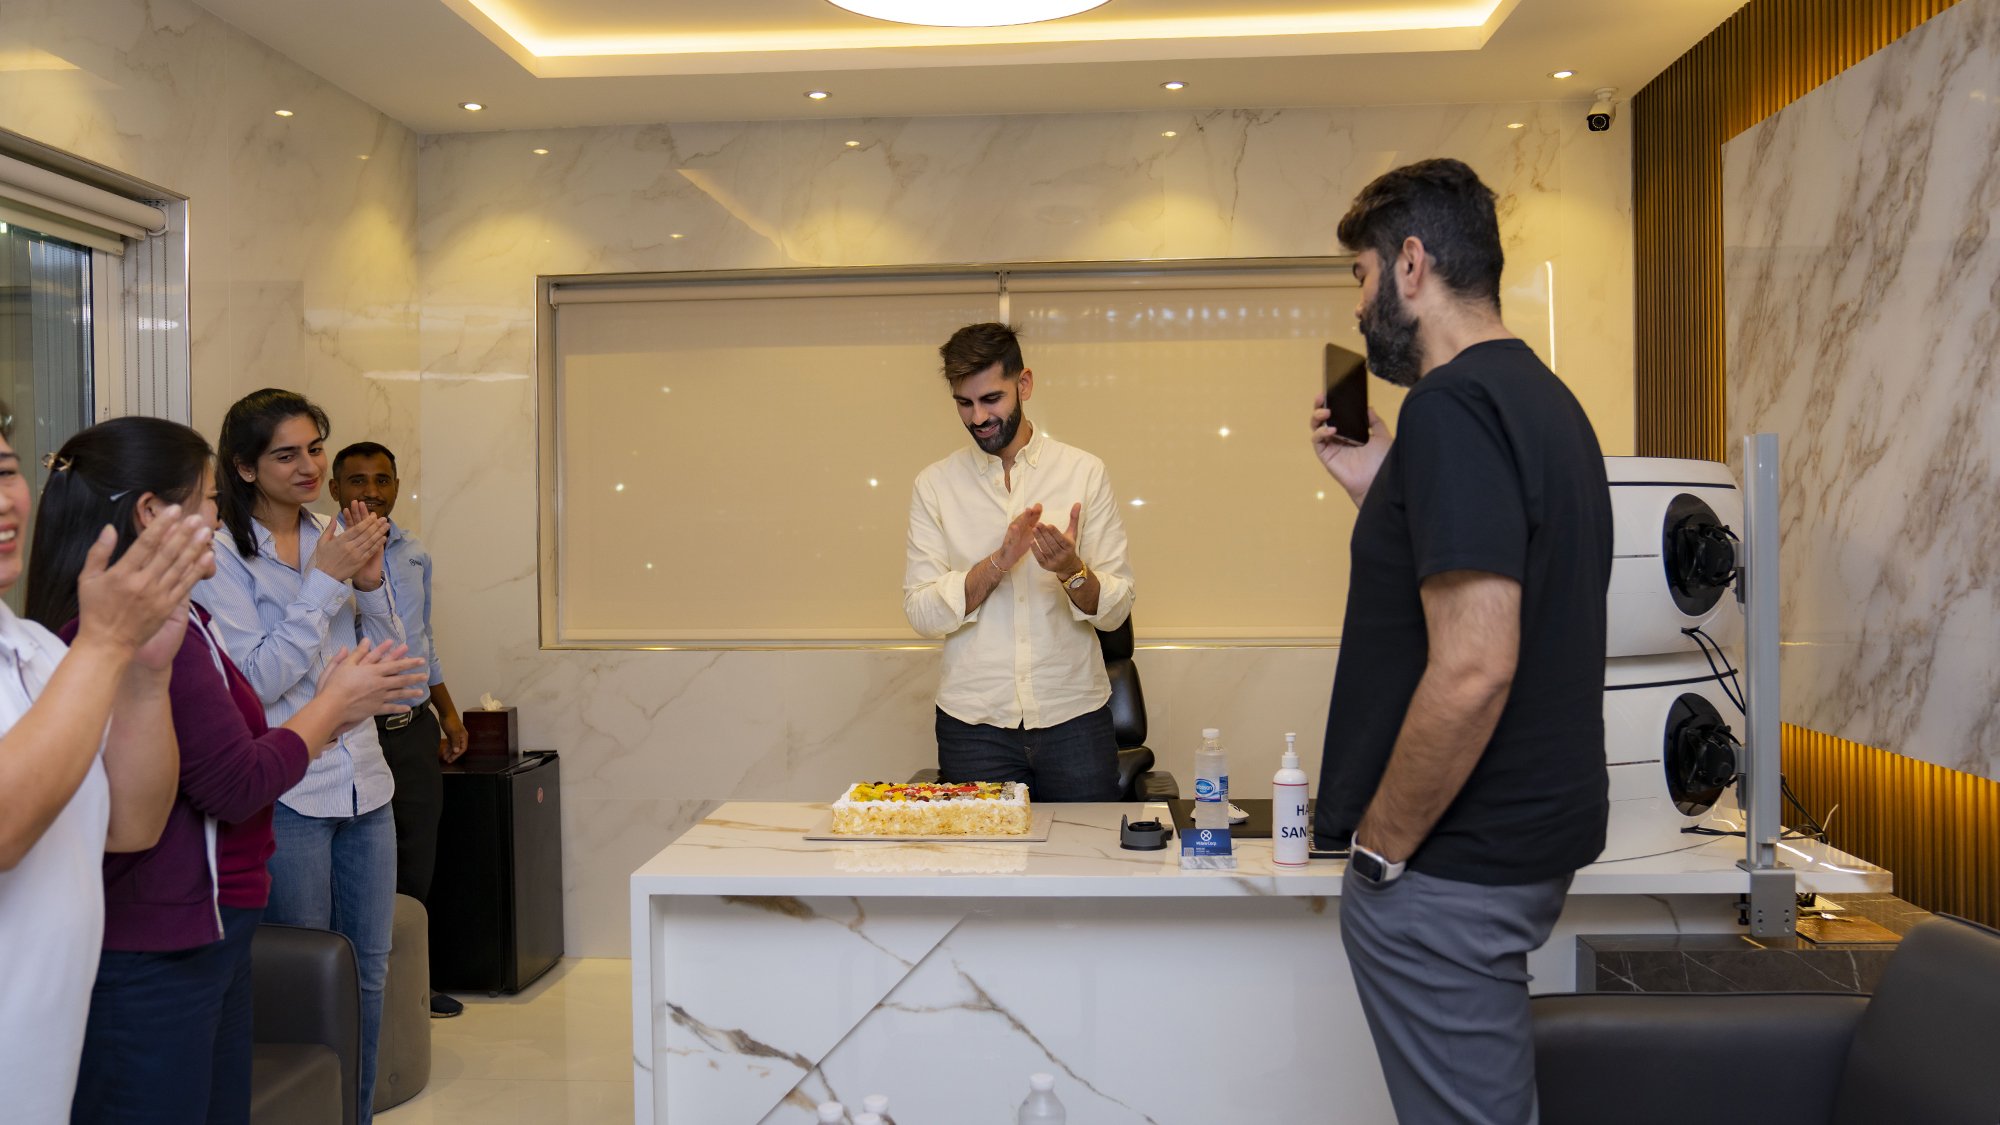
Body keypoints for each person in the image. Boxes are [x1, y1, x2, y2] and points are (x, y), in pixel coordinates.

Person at [1308, 158, 1612, 1125]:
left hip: (1450, 868)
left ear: (1411, 264)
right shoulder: (1545, 402)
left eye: (1360, 276)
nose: (1358, 307)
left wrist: (1378, 851)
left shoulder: (1449, 405)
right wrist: (1385, 487)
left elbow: (1476, 664)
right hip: (1521, 849)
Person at [23, 418, 428, 1125]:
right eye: (209, 500)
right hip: (165, 934)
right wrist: (328, 708)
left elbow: (224, 752)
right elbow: (227, 780)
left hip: (210, 924)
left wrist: (332, 705)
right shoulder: (142, 634)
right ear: (152, 512)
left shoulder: (177, 625)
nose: (215, 521)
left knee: (359, 982)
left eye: (315, 450)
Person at [195, 389, 407, 1124]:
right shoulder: (221, 556)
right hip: (289, 792)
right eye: (287, 454)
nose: (310, 466)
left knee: (369, 976)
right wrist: (324, 580)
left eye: (315, 447)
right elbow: (253, 682)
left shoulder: (336, 533)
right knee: (305, 982)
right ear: (245, 467)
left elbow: (395, 663)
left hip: (366, 785)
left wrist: (370, 583)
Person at [0, 404, 215, 1123]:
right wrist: (106, 645)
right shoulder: (81, 648)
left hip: (40, 1060)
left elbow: (129, 824)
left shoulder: (38, 649)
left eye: (5, 472)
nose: (4, 500)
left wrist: (147, 673)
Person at [902, 322, 1136, 801]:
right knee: (983, 854)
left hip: (1075, 719)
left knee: (1085, 849)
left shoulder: (1084, 472)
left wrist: (1071, 571)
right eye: (964, 403)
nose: (978, 417)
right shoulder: (934, 485)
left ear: (1023, 384)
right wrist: (998, 563)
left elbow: (1115, 610)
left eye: (991, 399)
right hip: (973, 726)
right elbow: (921, 612)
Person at [328, 440, 469, 1018]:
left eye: (382, 480)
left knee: (416, 857)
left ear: (396, 486)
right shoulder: (319, 553)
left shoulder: (413, 554)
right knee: (361, 863)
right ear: (335, 489)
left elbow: (421, 641)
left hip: (411, 728)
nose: (371, 491)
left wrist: (448, 712)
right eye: (357, 480)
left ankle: (411, 983)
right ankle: (354, 988)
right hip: (351, 731)